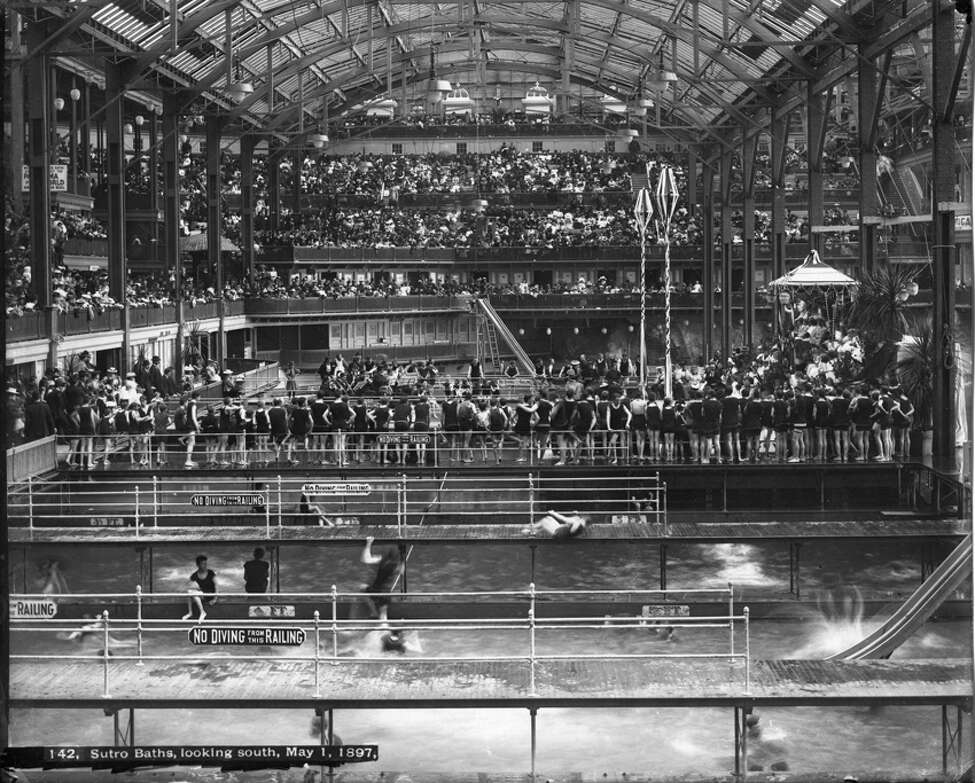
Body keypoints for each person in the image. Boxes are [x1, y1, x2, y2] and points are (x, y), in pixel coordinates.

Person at [361, 537, 403, 622]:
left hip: (377, 591)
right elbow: (401, 571)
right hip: (387, 593)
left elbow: (365, 559)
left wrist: (368, 544)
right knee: (383, 614)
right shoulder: (398, 564)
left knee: (362, 588)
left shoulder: (383, 560)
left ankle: (374, 613)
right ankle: (384, 626)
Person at [182, 555, 217, 622]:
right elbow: (189, 585)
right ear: (198, 565)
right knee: (189, 591)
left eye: (205, 563)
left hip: (209, 595)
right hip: (201, 594)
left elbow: (216, 585)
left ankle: (202, 612)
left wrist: (215, 599)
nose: (205, 565)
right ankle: (190, 612)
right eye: (203, 564)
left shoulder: (211, 573)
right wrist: (195, 587)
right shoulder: (194, 575)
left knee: (193, 593)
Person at [523, 509, 588, 539]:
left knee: (544, 521)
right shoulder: (582, 525)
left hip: (558, 534)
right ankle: (532, 532)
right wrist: (577, 514)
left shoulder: (576, 522)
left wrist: (553, 513)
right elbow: (573, 529)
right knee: (549, 518)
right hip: (561, 530)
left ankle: (530, 528)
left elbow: (563, 519)